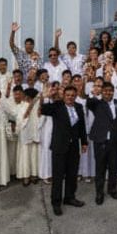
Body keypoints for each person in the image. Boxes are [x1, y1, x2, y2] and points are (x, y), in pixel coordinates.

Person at [40, 84, 88, 216]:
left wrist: (84, 142)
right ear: (64, 95)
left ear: (76, 96)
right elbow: (43, 109)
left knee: (72, 174)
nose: (70, 97)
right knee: (58, 176)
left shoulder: (78, 107)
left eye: (73, 95)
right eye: (68, 95)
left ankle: (69, 198)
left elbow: (82, 126)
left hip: (74, 147)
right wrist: (46, 97)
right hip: (59, 146)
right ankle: (56, 202)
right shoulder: (57, 105)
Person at [85, 80, 117, 204]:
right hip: (100, 140)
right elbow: (89, 102)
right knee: (100, 168)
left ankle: (112, 190)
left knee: (113, 167)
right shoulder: (97, 103)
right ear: (102, 92)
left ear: (113, 92)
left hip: (115, 140)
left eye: (110, 91)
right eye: (105, 91)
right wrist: (93, 93)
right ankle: (99, 193)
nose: (107, 93)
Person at [16, 87, 42, 185]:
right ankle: (26, 176)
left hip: (35, 132)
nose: (23, 97)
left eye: (24, 95)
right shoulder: (22, 106)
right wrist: (31, 106)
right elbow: (21, 119)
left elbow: (40, 118)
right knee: (26, 155)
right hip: (25, 133)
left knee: (34, 154)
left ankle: (34, 174)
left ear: (28, 96)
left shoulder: (38, 106)